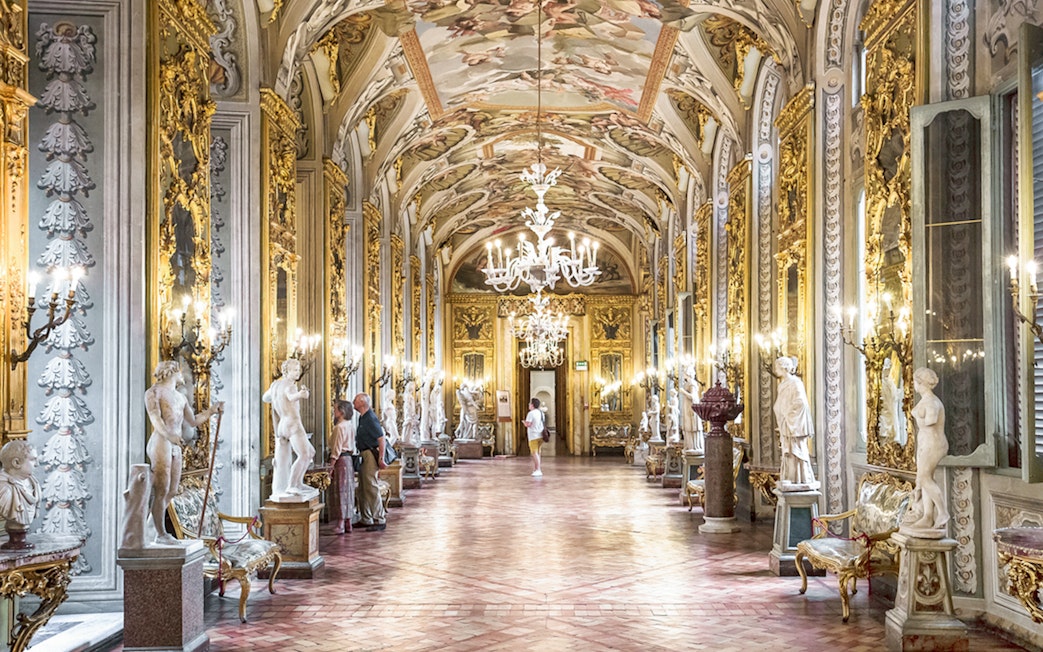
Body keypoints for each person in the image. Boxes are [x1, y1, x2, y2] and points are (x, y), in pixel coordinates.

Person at [145, 361, 223, 545]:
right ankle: (161, 534)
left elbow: (193, 420)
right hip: (161, 442)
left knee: (171, 491)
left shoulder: (180, 397)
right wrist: (169, 435)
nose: (182, 376)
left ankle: (151, 531)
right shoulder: (153, 392)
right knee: (161, 490)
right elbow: (155, 417)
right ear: (172, 372)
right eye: (180, 373)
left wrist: (212, 411)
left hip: (175, 445)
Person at [903, 367, 950, 534]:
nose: (914, 385)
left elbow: (931, 420)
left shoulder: (932, 402)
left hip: (934, 443)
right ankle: (928, 516)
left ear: (920, 383)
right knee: (924, 479)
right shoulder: (926, 400)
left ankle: (943, 513)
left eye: (915, 382)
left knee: (924, 477)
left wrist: (918, 415)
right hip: (925, 442)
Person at [264, 358, 316, 499]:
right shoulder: (291, 386)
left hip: (282, 425)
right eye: (294, 370)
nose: (297, 372)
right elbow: (291, 396)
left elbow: (265, 398)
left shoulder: (275, 386)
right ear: (286, 371)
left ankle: (295, 483)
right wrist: (301, 394)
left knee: (310, 452)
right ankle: (293, 484)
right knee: (304, 455)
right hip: (293, 425)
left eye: (298, 370)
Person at [773, 356, 818, 490]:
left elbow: (801, 403)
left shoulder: (795, 382)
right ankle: (790, 477)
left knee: (796, 450)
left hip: (794, 423)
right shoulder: (782, 384)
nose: (775, 370)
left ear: (784, 367)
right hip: (786, 423)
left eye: (777, 367)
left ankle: (801, 477)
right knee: (788, 452)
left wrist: (788, 414)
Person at [353, 392, 388, 530]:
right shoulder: (363, 418)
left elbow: (381, 439)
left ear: (362, 402)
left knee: (371, 487)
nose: (353, 402)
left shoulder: (370, 418)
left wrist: (381, 458)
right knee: (363, 488)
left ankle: (379, 519)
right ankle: (366, 518)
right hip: (364, 454)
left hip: (370, 455)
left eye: (355, 400)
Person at [0, 440, 41, 550]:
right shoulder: (3, 488)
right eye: (33, 460)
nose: (37, 464)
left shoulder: (33, 483)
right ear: (16, 463)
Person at [327, 400, 357, 534]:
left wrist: (330, 467)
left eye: (335, 409)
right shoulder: (349, 425)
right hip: (349, 460)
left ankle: (340, 524)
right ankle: (348, 521)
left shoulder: (339, 427)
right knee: (348, 491)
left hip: (340, 461)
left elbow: (336, 449)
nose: (334, 412)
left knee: (340, 491)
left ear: (342, 411)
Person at [523, 397, 545, 477]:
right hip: (541, 435)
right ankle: (536, 469)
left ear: (532, 405)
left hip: (533, 436)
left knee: (534, 453)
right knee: (538, 453)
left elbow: (528, 424)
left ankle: (538, 469)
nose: (528, 405)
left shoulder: (531, 413)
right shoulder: (541, 412)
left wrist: (524, 423)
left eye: (529, 404)